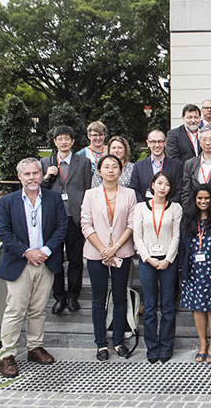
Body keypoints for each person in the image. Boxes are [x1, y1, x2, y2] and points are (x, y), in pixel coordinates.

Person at [0, 158, 68, 378]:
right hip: (20, 262)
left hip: (45, 262)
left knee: (38, 308)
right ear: (19, 176)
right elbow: (4, 232)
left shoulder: (54, 199)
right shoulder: (7, 202)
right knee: (15, 310)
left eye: (35, 173)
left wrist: (45, 251)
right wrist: (27, 252)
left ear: (41, 174)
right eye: (27, 174)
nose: (32, 178)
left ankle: (34, 347)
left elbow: (61, 227)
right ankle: (6, 355)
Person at [80, 154, 137, 361]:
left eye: (115, 166)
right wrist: (104, 249)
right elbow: (85, 224)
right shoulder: (90, 194)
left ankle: (119, 341)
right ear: (100, 171)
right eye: (106, 167)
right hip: (97, 253)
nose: (111, 170)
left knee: (120, 296)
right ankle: (101, 344)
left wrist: (115, 248)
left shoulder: (129, 194)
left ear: (120, 170)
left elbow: (132, 223)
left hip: (122, 252)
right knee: (98, 299)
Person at [41, 126, 92, 314]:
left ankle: (73, 296)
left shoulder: (83, 162)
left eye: (67, 139)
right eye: (60, 139)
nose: (64, 142)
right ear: (55, 142)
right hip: (53, 219)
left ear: (72, 141)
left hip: (74, 217)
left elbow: (87, 190)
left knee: (75, 259)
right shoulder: (45, 162)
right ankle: (59, 297)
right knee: (55, 259)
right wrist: (47, 177)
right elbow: (40, 191)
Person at [132, 171, 182, 363]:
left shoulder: (176, 208)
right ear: (152, 185)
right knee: (150, 306)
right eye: (159, 183)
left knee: (168, 307)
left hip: (168, 261)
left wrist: (168, 259)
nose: (163, 187)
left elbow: (176, 236)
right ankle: (152, 347)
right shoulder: (140, 208)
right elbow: (137, 236)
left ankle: (167, 346)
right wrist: (148, 258)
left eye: (167, 184)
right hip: (147, 261)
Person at [179, 184, 211, 363]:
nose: (203, 201)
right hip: (194, 271)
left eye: (206, 198)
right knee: (198, 307)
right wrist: (182, 267)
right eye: (200, 198)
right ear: (194, 199)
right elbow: (182, 245)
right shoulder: (188, 219)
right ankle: (202, 344)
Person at [130, 130, 184, 204]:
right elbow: (135, 190)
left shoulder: (177, 166)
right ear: (148, 143)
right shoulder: (138, 166)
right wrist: (145, 207)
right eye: (153, 142)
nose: (157, 145)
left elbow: (178, 190)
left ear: (165, 142)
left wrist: (167, 206)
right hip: (145, 209)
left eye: (160, 141)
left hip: (169, 210)